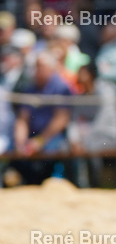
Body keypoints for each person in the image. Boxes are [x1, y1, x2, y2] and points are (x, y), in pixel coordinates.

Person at [10, 52, 72, 185]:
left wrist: (40, 140)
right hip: (33, 138)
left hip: (53, 138)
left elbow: (61, 119)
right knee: (14, 151)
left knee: (54, 150)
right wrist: (20, 141)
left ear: (51, 68)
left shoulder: (61, 87)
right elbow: (23, 119)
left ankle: (55, 181)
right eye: (36, 66)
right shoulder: (30, 88)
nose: (37, 70)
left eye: (41, 67)